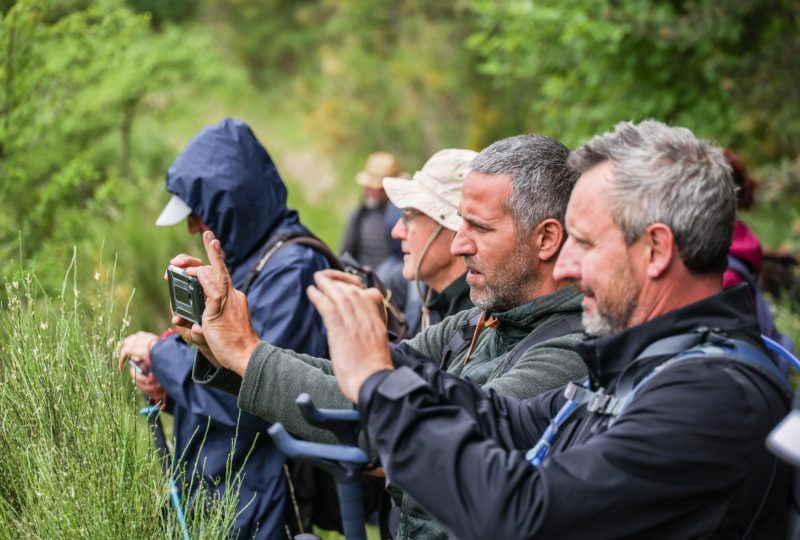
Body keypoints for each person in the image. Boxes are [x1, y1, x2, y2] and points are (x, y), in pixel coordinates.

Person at [303, 120, 792, 539]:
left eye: (583, 242)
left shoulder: (709, 397)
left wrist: (379, 383)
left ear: (656, 250)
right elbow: (501, 419)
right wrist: (387, 357)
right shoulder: (643, 365)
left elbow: (526, 516)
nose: (566, 266)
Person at [178, 134, 588, 539]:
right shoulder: (477, 323)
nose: (461, 243)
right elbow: (354, 382)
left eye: (479, 227)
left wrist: (246, 353)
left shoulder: (569, 353)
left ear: (547, 239)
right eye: (459, 223)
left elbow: (396, 420)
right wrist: (225, 351)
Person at [117, 118, 331, 540]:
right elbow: (226, 380)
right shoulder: (248, 265)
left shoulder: (293, 271)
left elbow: (254, 399)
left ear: (233, 202)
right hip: (229, 496)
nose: (192, 227)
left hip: (265, 503)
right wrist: (171, 382)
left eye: (198, 213)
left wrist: (161, 357)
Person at [382, 148, 477, 335]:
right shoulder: (440, 306)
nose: (397, 232)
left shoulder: (481, 323)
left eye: (409, 216)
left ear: (455, 228)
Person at [340, 151, 404, 270]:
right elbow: (346, 255)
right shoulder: (360, 215)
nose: (372, 191)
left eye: (379, 189)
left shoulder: (404, 216)